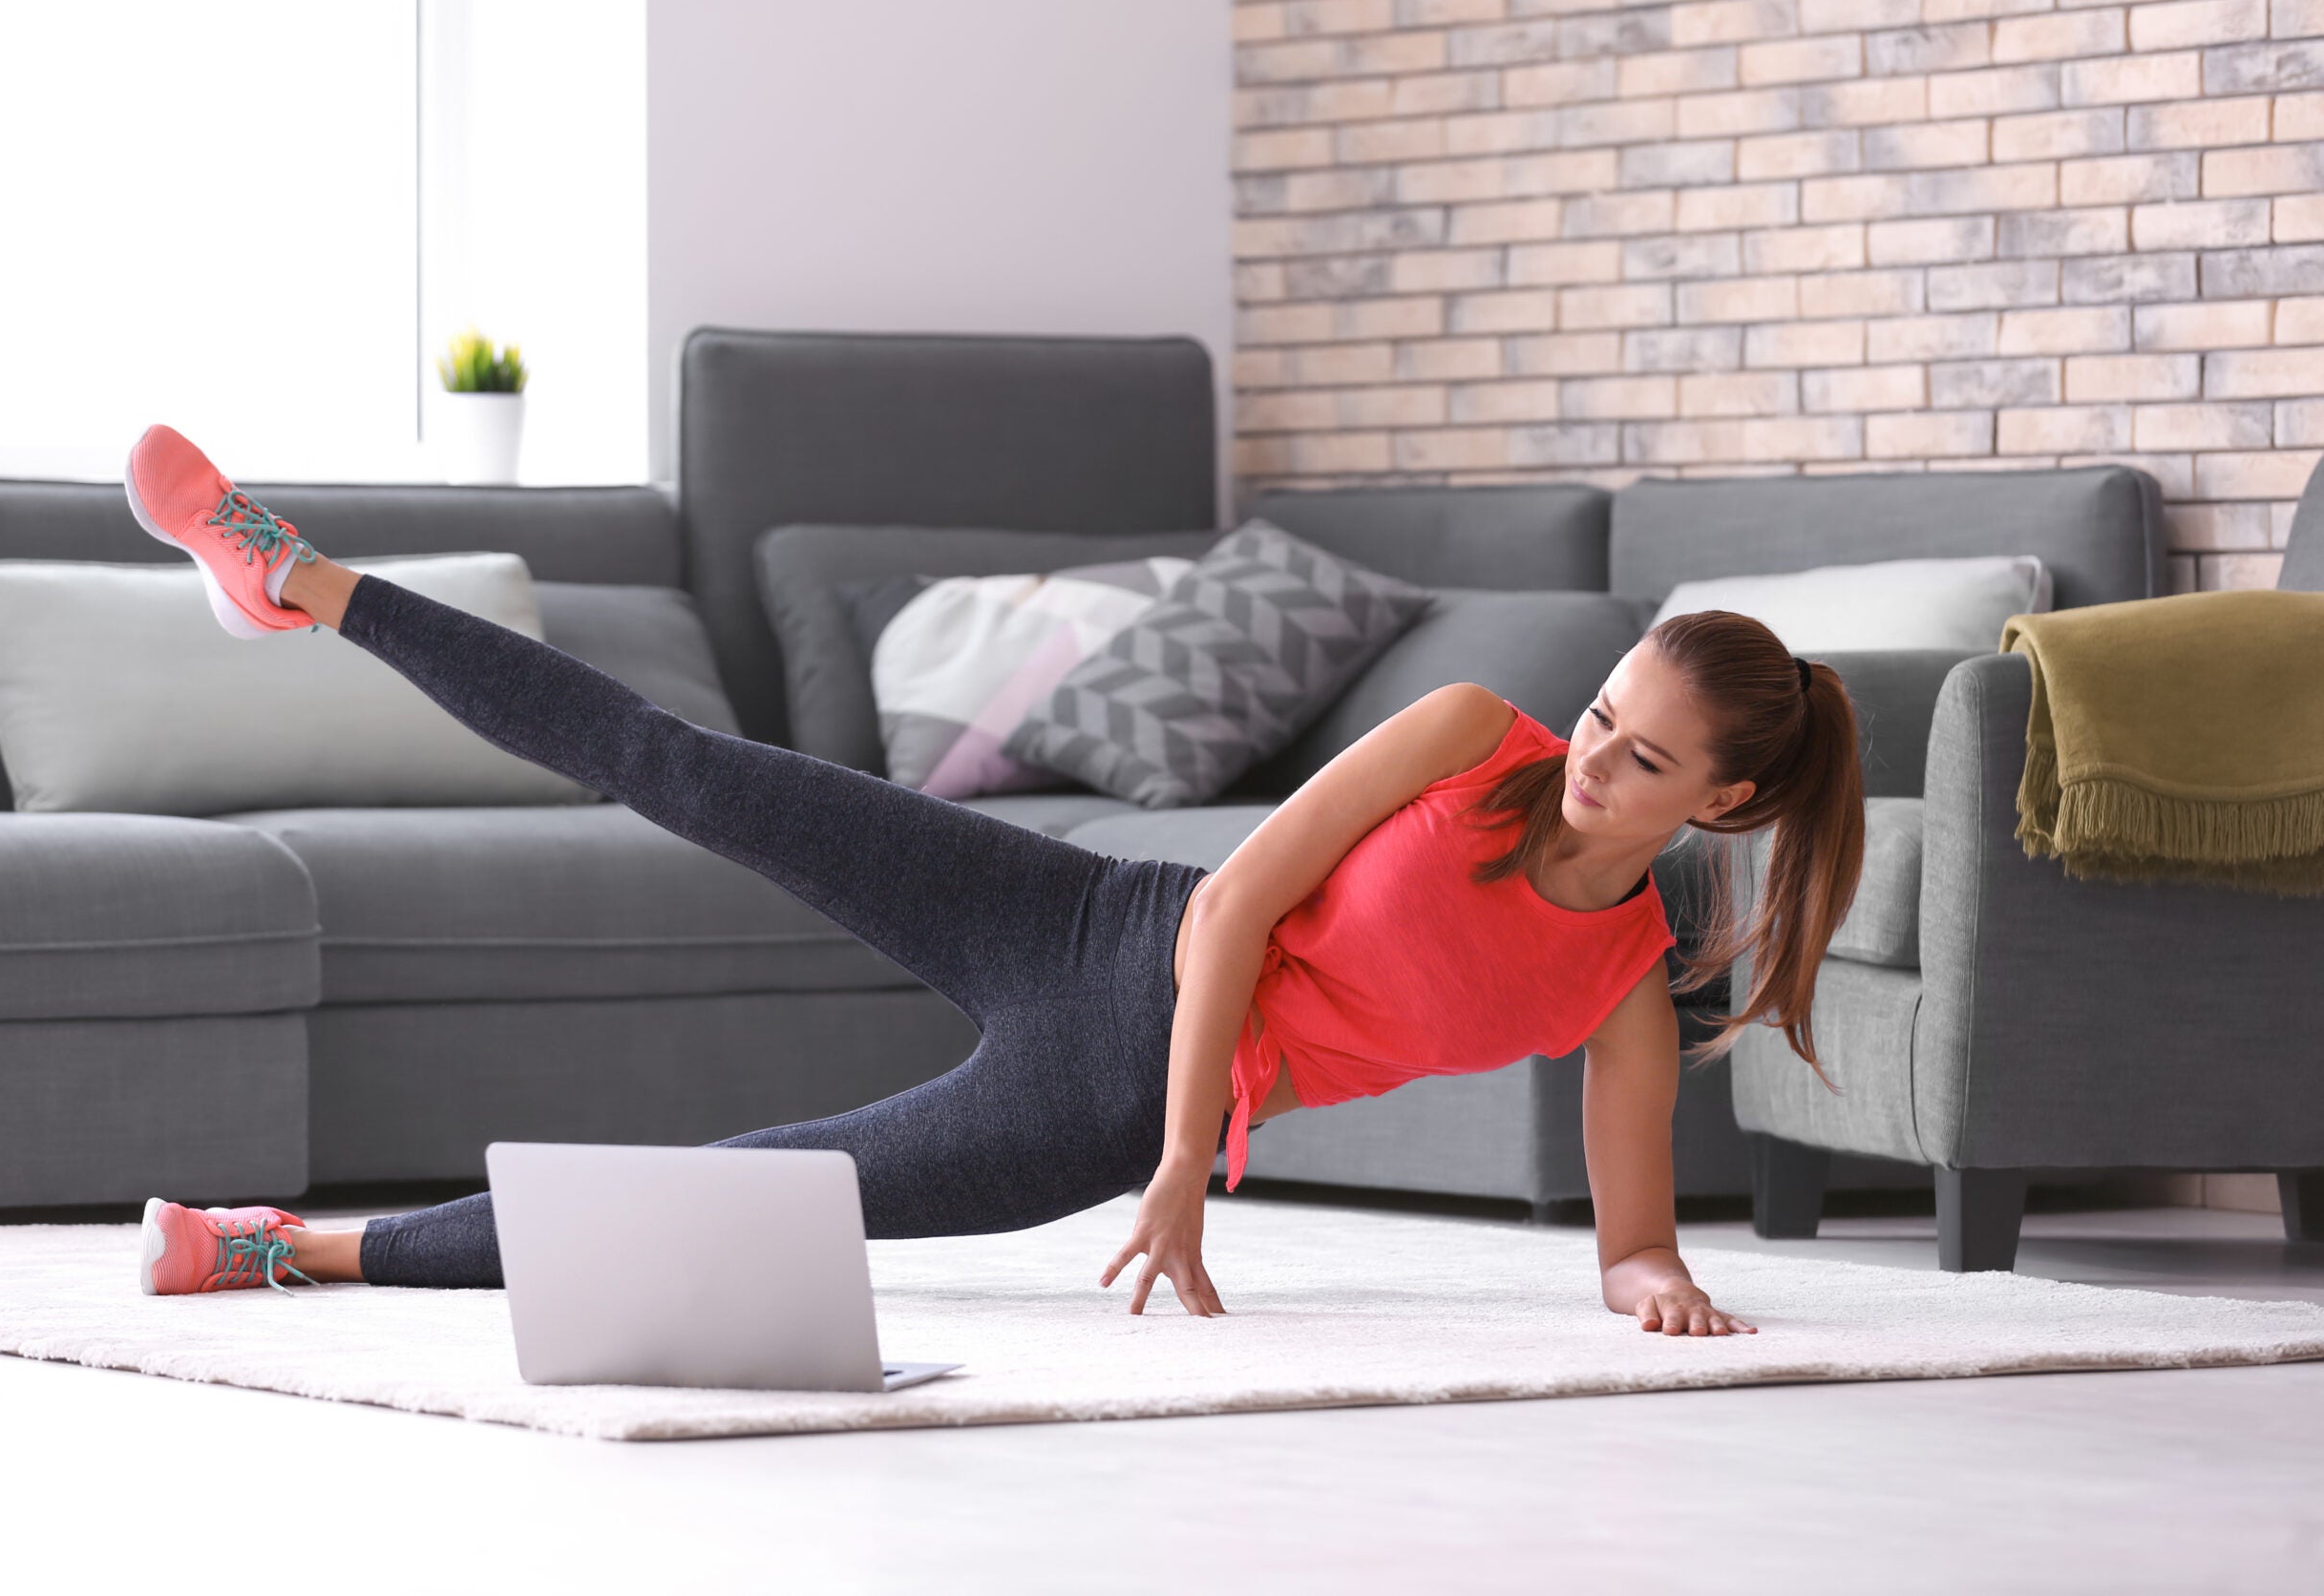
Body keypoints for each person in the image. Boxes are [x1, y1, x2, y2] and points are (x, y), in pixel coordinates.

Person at [126, 425, 1863, 1337]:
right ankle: (302, 579)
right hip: (1090, 915)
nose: (1595, 754)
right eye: (1610, 711)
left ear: (1725, 803)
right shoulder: (1479, 727)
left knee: (731, 1199)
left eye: (1643, 759)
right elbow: (1243, 904)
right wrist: (1196, 1166)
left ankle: (290, 1253)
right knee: (687, 765)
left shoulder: (1619, 986)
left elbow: (1634, 1241)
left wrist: (1659, 1285)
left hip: (1085, 1099)